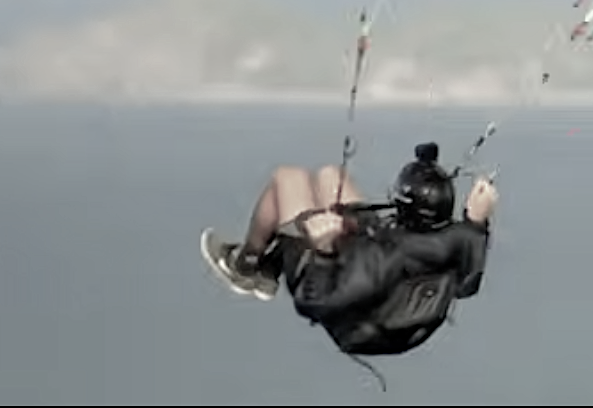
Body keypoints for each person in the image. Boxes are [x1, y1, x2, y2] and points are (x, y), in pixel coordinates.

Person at [201, 142, 498, 360]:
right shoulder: (454, 239)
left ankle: (249, 266)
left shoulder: (380, 264)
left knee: (287, 179)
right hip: (386, 289)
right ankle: (275, 259)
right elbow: (466, 285)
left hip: (349, 311)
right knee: (332, 176)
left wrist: (324, 250)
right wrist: (477, 222)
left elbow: (315, 303)